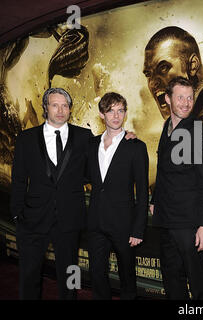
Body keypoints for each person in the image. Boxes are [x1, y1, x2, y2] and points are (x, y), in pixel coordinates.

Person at [10, 88, 92, 299]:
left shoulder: (84, 137)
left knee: (70, 273)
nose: (60, 110)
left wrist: (126, 135)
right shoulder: (26, 138)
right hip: (32, 219)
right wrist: (18, 214)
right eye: (55, 105)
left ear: (70, 109)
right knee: (29, 276)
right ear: (45, 107)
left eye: (65, 105)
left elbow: (98, 165)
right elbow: (18, 179)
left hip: (70, 220)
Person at [150, 76, 203, 299]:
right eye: (180, 97)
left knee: (198, 281)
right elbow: (164, 171)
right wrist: (153, 200)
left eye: (190, 98)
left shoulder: (198, 132)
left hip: (189, 222)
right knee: (171, 277)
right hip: (166, 219)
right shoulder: (166, 127)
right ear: (168, 99)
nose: (186, 103)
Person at [86, 92, 149, 300]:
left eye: (120, 110)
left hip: (124, 224)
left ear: (125, 113)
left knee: (127, 278)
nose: (116, 116)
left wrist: (138, 228)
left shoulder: (136, 147)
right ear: (101, 114)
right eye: (110, 111)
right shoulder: (90, 145)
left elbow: (141, 191)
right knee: (97, 275)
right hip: (95, 222)